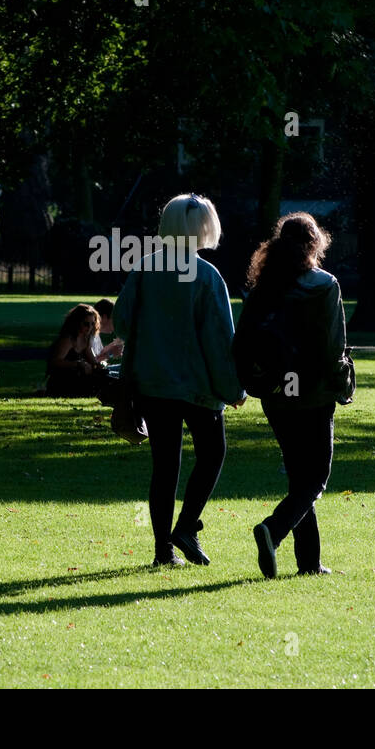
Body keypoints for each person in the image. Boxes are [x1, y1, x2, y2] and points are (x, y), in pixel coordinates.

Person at [113, 194, 246, 567]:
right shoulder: (207, 276)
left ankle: (163, 550)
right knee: (212, 454)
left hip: (154, 383)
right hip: (197, 386)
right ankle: (186, 526)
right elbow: (220, 340)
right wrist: (233, 389)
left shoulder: (145, 268)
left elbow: (122, 322)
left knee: (165, 466)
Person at [240, 212, 347, 579]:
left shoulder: (263, 287)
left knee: (299, 476)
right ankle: (274, 528)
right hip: (314, 391)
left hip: (276, 391)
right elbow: (334, 347)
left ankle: (309, 562)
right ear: (316, 243)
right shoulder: (324, 284)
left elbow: (244, 342)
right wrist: (342, 384)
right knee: (316, 477)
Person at [46, 304, 103, 396]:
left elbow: (92, 359)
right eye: (86, 324)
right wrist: (78, 364)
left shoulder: (86, 338)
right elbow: (55, 362)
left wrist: (98, 365)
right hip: (62, 381)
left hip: (78, 378)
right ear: (77, 322)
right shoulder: (68, 339)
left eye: (92, 324)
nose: (90, 327)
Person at [90, 298, 125, 363]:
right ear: (104, 317)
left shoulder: (95, 334)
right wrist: (110, 354)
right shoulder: (88, 335)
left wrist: (113, 346)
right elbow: (92, 363)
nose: (115, 323)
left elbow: (99, 356)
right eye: (113, 319)